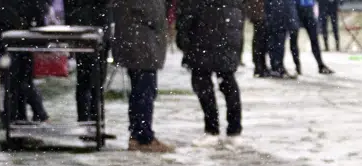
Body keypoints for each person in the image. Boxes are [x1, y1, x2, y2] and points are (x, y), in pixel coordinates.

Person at [177, 0, 244, 144]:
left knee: (203, 82)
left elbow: (188, 13)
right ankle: (234, 130)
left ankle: (212, 129)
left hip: (205, 35)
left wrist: (184, 39)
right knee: (227, 81)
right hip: (228, 32)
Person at [111, 0, 174, 151]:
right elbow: (154, 15)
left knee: (140, 91)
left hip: (137, 43)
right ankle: (144, 138)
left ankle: (137, 134)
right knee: (145, 91)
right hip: (142, 45)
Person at [65, 0, 110, 123]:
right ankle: (93, 120)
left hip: (84, 27)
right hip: (92, 27)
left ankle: (88, 119)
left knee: (87, 79)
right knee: (93, 79)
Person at [287, 0, 332, 75]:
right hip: (294, 7)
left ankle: (320, 65)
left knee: (314, 38)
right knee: (294, 38)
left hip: (308, 7)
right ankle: (297, 66)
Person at [263, 0, 296, 78]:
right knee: (277, 44)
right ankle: (277, 67)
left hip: (277, 17)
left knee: (276, 43)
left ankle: (277, 66)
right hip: (278, 17)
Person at [244, 0, 268, 76]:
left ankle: (260, 66)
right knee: (260, 41)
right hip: (259, 13)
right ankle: (259, 66)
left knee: (259, 40)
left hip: (258, 12)